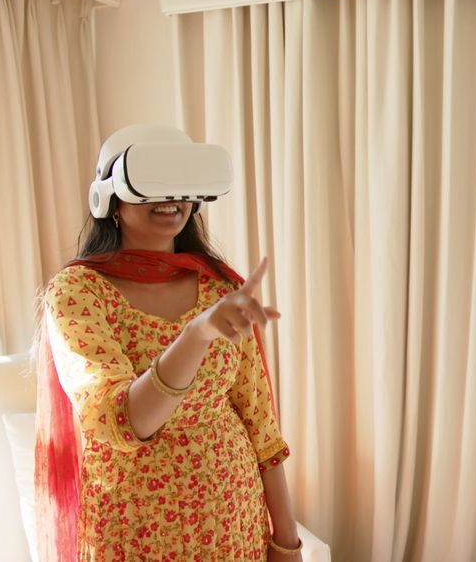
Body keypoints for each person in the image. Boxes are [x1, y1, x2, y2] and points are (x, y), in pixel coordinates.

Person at [34, 126, 302, 561]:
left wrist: (287, 543)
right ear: (110, 199)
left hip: (233, 522)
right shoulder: (78, 291)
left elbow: (260, 423)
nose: (170, 197)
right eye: (150, 183)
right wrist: (196, 335)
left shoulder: (220, 288)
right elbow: (123, 420)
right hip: (136, 532)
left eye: (181, 182)